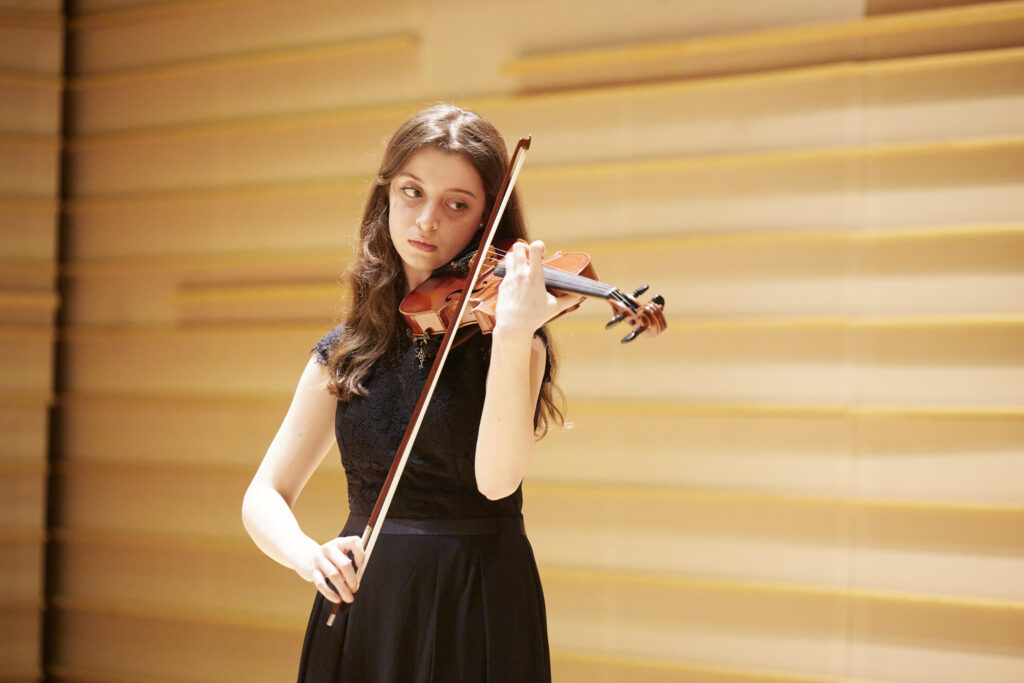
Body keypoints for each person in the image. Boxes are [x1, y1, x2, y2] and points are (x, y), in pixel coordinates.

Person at [241, 103, 571, 682]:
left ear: (485, 221)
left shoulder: (512, 342)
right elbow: (264, 493)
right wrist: (307, 555)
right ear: (386, 198)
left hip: (478, 596)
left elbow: (496, 483)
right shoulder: (345, 349)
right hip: (368, 598)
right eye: (412, 192)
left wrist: (516, 332)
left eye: (457, 205)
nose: (426, 220)